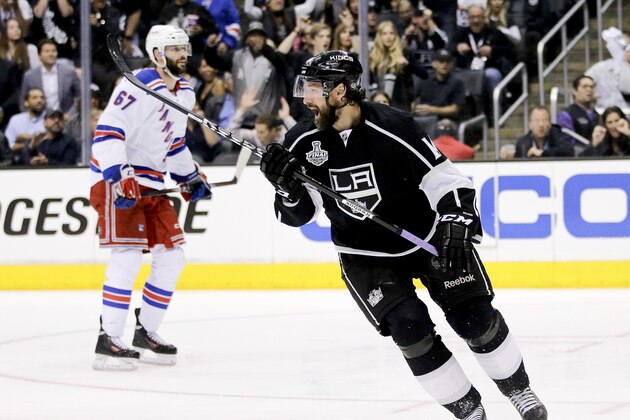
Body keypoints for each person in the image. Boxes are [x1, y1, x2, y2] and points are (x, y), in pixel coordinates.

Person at [259, 50, 547, 420]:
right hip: (364, 256)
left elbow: (447, 182)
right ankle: (470, 412)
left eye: (314, 89)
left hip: (424, 238)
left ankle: (519, 391)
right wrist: (285, 188)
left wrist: (457, 221)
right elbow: (297, 215)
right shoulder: (302, 142)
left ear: (341, 92)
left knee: (474, 317)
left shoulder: (396, 127)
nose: (306, 98)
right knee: (410, 330)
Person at [89, 25, 212, 371]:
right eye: (174, 49)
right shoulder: (137, 83)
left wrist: (189, 177)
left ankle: (147, 331)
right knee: (127, 257)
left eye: (184, 48)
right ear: (158, 54)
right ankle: (108, 339)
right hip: (117, 180)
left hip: (152, 183)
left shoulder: (185, 93)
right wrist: (119, 174)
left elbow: (173, 144)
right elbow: (107, 131)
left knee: (173, 257)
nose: (182, 55)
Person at [20, 39, 81, 116]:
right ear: (39, 55)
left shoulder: (69, 72)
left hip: (66, 117)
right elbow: (23, 102)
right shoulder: (30, 76)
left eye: (53, 51)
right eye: (47, 51)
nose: (51, 54)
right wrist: (33, 118)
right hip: (39, 118)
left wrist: (70, 114)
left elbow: (80, 97)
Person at [556, 75, 599, 142]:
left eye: (591, 87)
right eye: (585, 86)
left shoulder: (596, 114)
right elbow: (566, 143)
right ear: (574, 91)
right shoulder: (566, 115)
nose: (589, 90)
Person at [4, 87, 46, 155]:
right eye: (34, 97)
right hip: (20, 161)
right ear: (26, 102)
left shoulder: (50, 119)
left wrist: (28, 139)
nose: (39, 100)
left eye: (42, 97)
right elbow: (9, 145)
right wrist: (32, 143)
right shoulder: (15, 120)